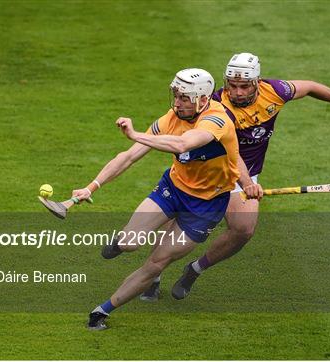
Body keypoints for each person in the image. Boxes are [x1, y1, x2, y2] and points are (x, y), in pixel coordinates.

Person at [141, 53, 330, 301]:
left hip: (246, 175)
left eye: (244, 86)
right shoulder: (215, 106)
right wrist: (247, 183)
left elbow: (311, 87)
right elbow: (231, 153)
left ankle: (195, 269)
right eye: (232, 85)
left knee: (243, 230)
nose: (237, 92)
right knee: (174, 218)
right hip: (208, 170)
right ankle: (153, 275)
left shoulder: (276, 91)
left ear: (257, 83)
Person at [71, 68, 259, 330]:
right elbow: (129, 156)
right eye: (176, 96)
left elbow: (183, 145)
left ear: (203, 100)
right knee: (130, 243)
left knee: (157, 262)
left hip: (204, 208)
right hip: (173, 189)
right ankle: (121, 243)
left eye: (185, 98)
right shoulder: (171, 118)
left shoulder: (216, 120)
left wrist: (247, 184)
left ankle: (102, 311)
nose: (178, 103)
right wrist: (92, 186)